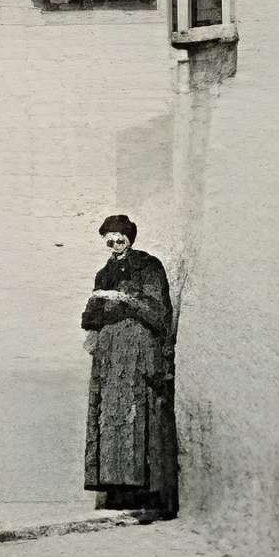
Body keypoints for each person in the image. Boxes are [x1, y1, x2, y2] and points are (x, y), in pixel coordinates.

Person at [81, 213, 178, 520]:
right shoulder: (103, 272)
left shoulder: (149, 266)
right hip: (110, 357)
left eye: (120, 235)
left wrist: (123, 298)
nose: (115, 241)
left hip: (138, 350)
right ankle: (115, 495)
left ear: (131, 237)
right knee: (111, 419)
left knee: (139, 416)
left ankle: (147, 496)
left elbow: (157, 311)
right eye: (109, 237)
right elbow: (92, 316)